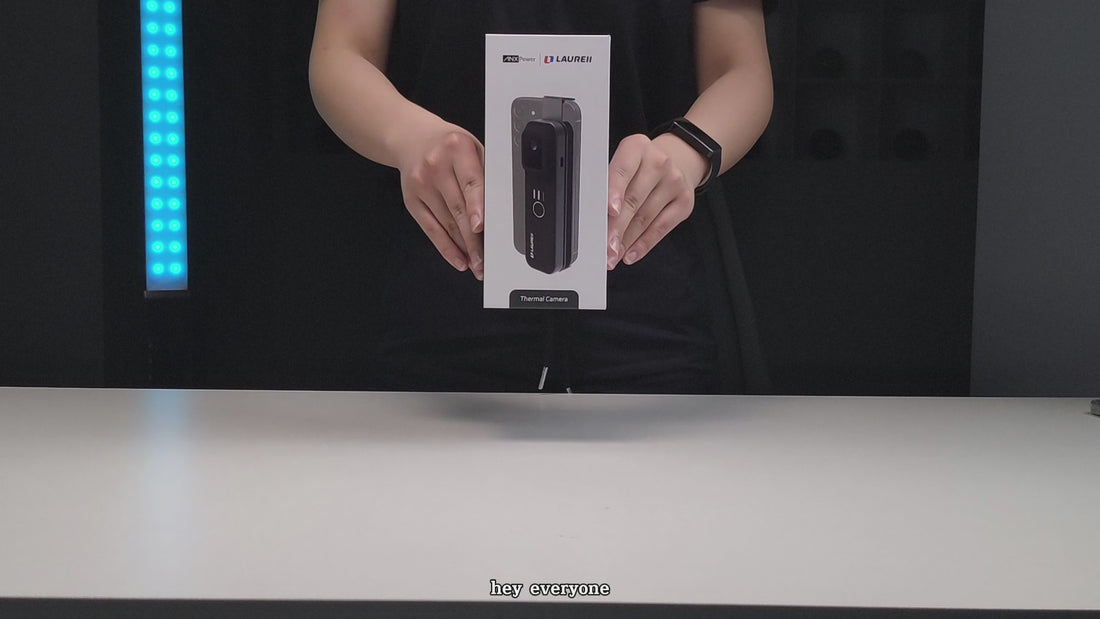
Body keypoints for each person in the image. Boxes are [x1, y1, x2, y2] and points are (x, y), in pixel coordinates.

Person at [309, 0, 774, 394]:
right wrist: (411, 137)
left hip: (646, 293)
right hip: (449, 284)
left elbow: (742, 69)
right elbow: (340, 52)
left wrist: (686, 153)